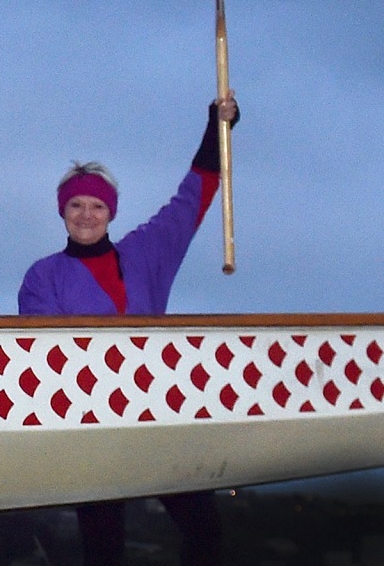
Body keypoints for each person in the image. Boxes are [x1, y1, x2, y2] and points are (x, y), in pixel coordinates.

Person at [19, 98, 238, 566]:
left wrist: (216, 128)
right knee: (102, 551)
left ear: (111, 212)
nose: (86, 214)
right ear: (62, 211)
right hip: (93, 427)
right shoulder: (43, 277)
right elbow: (46, 357)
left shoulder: (145, 254)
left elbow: (193, 196)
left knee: (207, 533)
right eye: (75, 204)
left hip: (159, 414)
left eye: (97, 205)